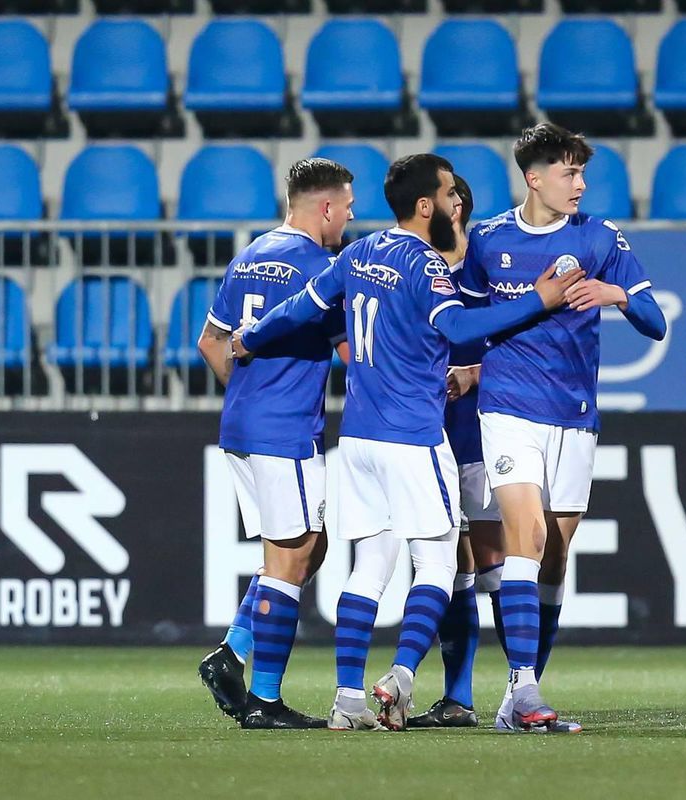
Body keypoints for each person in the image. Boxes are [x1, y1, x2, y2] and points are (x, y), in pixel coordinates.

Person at [232, 153, 584, 731]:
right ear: (427, 206)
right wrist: (538, 301)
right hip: (413, 436)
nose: (455, 204)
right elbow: (461, 328)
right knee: (440, 561)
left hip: (359, 440)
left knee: (368, 567)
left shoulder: (359, 251)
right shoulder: (425, 264)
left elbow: (302, 307)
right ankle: (400, 675)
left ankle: (347, 703)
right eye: (450, 195)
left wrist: (252, 335)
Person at [457, 122, 667, 732]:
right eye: (570, 173)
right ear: (535, 177)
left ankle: (518, 698)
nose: (580, 184)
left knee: (555, 556)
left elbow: (656, 321)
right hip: (507, 409)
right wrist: (468, 371)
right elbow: (466, 322)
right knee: (527, 538)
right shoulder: (488, 239)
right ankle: (524, 691)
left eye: (581, 173)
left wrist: (616, 295)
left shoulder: (601, 238)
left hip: (574, 417)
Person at [196, 157, 355, 729]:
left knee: (311, 546)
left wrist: (248, 397)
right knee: (291, 558)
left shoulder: (250, 255)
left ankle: (233, 653)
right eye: (348, 206)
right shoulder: (322, 268)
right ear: (327, 207)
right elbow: (350, 357)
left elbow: (210, 342)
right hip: (285, 430)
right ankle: (264, 700)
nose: (351, 217)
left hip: (241, 426)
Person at [406, 174, 505, 729]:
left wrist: (474, 373)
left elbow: (526, 345)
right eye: (447, 196)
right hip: (426, 434)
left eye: (457, 196)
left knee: (493, 562)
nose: (454, 204)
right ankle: (458, 698)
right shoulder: (411, 270)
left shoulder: (488, 268)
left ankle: (522, 689)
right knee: (451, 568)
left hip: (486, 431)